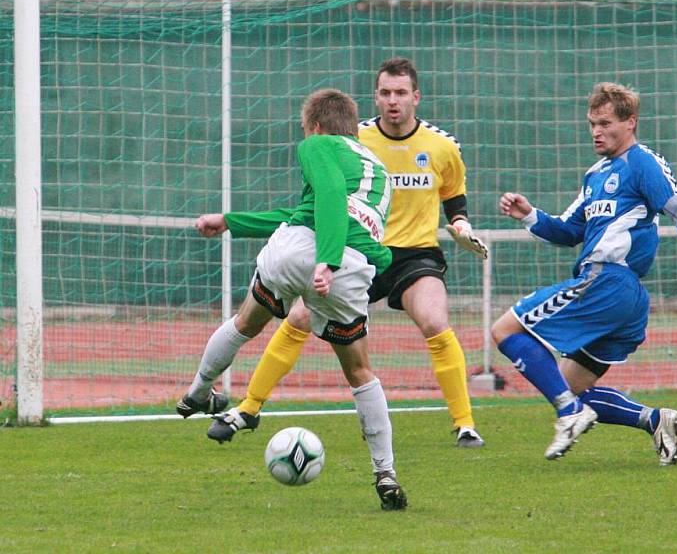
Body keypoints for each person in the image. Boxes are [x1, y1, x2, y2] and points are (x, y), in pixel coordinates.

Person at [207, 57, 488, 448]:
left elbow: (455, 203)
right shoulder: (352, 141)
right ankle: (249, 408)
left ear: (416, 97)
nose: (393, 101)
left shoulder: (443, 147)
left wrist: (461, 228)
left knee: (435, 321)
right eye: (386, 92)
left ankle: (465, 424)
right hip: (357, 249)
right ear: (375, 96)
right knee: (299, 317)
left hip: (414, 256)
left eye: (401, 93)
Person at [491, 82, 677, 464]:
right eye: (592, 123)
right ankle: (655, 420)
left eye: (605, 123)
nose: (596, 131)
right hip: (621, 295)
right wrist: (529, 215)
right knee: (568, 386)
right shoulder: (595, 175)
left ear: (630, 122)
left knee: (504, 330)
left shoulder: (642, 162)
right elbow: (568, 231)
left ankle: (569, 415)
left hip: (609, 281)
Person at [177, 88, 407, 510]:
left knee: (245, 323)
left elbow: (330, 195)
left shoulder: (318, 144)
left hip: (314, 252)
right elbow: (308, 209)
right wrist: (230, 222)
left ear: (315, 127)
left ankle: (197, 393)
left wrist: (326, 259)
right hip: (353, 265)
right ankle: (385, 473)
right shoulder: (377, 168)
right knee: (360, 372)